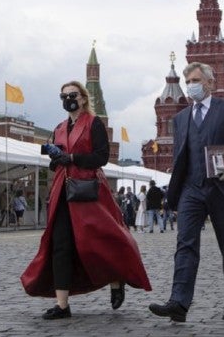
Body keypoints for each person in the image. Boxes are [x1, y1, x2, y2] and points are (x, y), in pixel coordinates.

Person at [21, 80, 151, 319]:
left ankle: (116, 279)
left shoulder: (93, 123)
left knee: (99, 241)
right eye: (63, 96)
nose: (68, 99)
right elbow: (56, 163)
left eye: (72, 95)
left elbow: (100, 157)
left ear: (82, 98)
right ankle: (62, 305)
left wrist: (70, 157)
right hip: (63, 190)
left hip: (89, 191)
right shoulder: (59, 127)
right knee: (60, 246)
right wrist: (55, 158)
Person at [149, 62, 224, 322]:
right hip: (191, 189)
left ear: (210, 83)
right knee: (185, 244)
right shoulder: (180, 119)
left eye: (196, 80)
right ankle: (178, 302)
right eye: (188, 81)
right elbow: (182, 156)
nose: (191, 86)